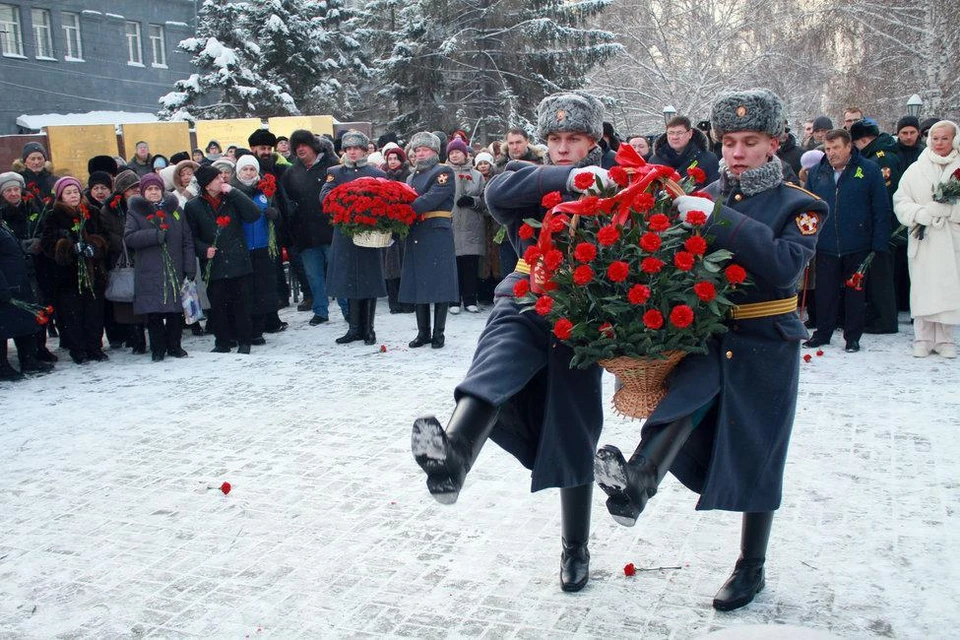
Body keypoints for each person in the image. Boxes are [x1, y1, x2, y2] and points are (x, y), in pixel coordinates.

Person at [594, 89, 829, 611]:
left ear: (774, 143)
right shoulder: (705, 192)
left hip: (766, 340)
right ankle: (638, 481)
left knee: (760, 450)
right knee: (682, 402)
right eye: (729, 142)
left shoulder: (800, 204)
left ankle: (751, 565)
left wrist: (717, 219)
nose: (737, 152)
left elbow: (784, 266)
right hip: (709, 332)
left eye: (751, 141)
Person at [410, 91, 614, 592]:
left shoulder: (619, 184)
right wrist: (570, 179)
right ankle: (453, 458)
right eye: (555, 139)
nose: (563, 148)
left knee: (573, 427)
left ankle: (575, 547)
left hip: (583, 314)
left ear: (592, 141)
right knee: (495, 365)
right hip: (525, 295)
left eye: (574, 139)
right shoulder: (527, 178)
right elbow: (498, 194)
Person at [803, 129, 890, 353]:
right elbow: (808, 208)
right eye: (828, 148)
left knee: (855, 294)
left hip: (858, 244)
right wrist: (807, 239)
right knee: (825, 293)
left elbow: (881, 208)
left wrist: (878, 243)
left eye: (836, 148)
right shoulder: (817, 172)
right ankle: (823, 333)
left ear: (849, 147)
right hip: (825, 245)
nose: (831, 153)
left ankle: (852, 337)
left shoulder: (868, 169)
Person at [893, 120, 960, 358]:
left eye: (945, 138)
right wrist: (921, 214)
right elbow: (901, 201)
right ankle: (922, 337)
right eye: (935, 138)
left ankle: (945, 339)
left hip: (951, 240)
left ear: (954, 140)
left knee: (948, 289)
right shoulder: (916, 169)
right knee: (923, 288)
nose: (939, 143)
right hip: (924, 239)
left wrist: (949, 211)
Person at [320, 130, 389, 345]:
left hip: (369, 233)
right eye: (348, 148)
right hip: (345, 232)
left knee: (369, 280)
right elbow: (325, 195)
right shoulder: (335, 172)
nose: (352, 152)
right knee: (349, 280)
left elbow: (386, 200)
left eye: (356, 148)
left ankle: (368, 329)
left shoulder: (377, 173)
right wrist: (347, 201)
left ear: (364, 150)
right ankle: (354, 328)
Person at [185, 165, 261, 353]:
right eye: (217, 178)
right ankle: (223, 342)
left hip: (237, 259)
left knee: (242, 304)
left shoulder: (232, 199)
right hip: (214, 262)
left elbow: (254, 214)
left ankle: (244, 341)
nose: (222, 180)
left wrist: (234, 192)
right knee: (218, 305)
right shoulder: (193, 206)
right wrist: (204, 249)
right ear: (207, 185)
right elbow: (191, 237)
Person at [124, 174, 195, 361]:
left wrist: (189, 267)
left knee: (174, 311)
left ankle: (174, 346)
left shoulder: (175, 210)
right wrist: (154, 235)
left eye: (156, 189)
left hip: (174, 268)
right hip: (149, 270)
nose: (154, 192)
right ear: (143, 192)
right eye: (149, 189)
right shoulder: (135, 212)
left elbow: (187, 240)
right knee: (153, 312)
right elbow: (129, 238)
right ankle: (158, 348)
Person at [40, 177, 109, 364]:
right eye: (68, 193)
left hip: (93, 272)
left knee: (94, 313)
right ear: (61, 196)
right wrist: (69, 248)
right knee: (73, 314)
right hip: (68, 275)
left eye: (75, 192)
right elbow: (47, 244)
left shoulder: (92, 212)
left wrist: (94, 246)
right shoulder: (53, 216)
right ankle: (78, 349)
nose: (73, 196)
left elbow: (104, 237)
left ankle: (94, 347)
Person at [399, 132, 458, 349]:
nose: (420, 154)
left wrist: (404, 210)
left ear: (434, 151)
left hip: (436, 231)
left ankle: (438, 333)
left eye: (424, 149)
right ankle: (423, 332)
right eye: (417, 150)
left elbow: (431, 198)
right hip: (417, 232)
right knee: (419, 283)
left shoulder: (443, 172)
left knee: (440, 283)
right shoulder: (410, 177)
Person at [850, 118, 904, 335]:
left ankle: (886, 320)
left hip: (886, 226)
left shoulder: (882, 158)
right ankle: (876, 315)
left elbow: (885, 195)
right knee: (875, 274)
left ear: (863, 140)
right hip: (878, 224)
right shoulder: (873, 155)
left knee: (882, 275)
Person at [282, 129, 338, 325]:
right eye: (296, 146)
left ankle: (348, 310)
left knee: (337, 273)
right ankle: (320, 311)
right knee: (314, 276)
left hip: (331, 230)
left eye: (304, 145)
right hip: (305, 233)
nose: (300, 149)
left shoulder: (332, 167)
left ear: (313, 146)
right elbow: (287, 202)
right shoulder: (291, 173)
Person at [232, 154, 282, 344]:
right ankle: (246, 329)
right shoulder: (233, 192)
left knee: (262, 290)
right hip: (243, 248)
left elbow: (279, 215)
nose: (248, 173)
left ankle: (259, 329)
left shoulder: (265, 191)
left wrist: (274, 214)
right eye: (245, 169)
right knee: (245, 292)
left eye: (252, 169)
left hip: (263, 246)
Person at [1, 211, 54, 380]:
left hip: (16, 283)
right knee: (3, 328)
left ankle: (28, 360)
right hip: (7, 286)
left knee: (22, 323)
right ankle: (3, 367)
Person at [98, 169, 147, 354]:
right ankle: (134, 337)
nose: (136, 191)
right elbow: (107, 234)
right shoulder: (109, 209)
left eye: (138, 187)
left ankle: (143, 333)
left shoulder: (143, 204)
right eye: (131, 188)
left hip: (143, 256)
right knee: (127, 301)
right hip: (122, 258)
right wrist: (128, 241)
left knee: (144, 298)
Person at [446, 137, 486, 314]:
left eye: (458, 152)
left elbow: (485, 200)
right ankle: (453, 299)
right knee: (452, 265)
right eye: (452, 153)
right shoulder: (444, 174)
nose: (455, 155)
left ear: (465, 154)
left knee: (470, 264)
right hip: (451, 224)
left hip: (472, 225)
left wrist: (473, 201)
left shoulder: (477, 175)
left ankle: (470, 299)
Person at [382, 146, 413, 314]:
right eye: (390, 159)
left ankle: (407, 302)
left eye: (395, 158)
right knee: (391, 266)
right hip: (388, 225)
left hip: (406, 224)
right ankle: (394, 303)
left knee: (406, 265)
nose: (392, 162)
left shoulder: (409, 176)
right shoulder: (383, 177)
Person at [649, 115, 720, 186]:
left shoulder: (708, 158)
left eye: (679, 133)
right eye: (671, 133)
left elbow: (714, 188)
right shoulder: (655, 160)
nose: (675, 137)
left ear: (690, 134)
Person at [14, 142, 57, 207]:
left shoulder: (54, 180)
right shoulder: (18, 181)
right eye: (32, 159)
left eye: (40, 158)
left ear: (45, 160)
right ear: (25, 161)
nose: (36, 162)